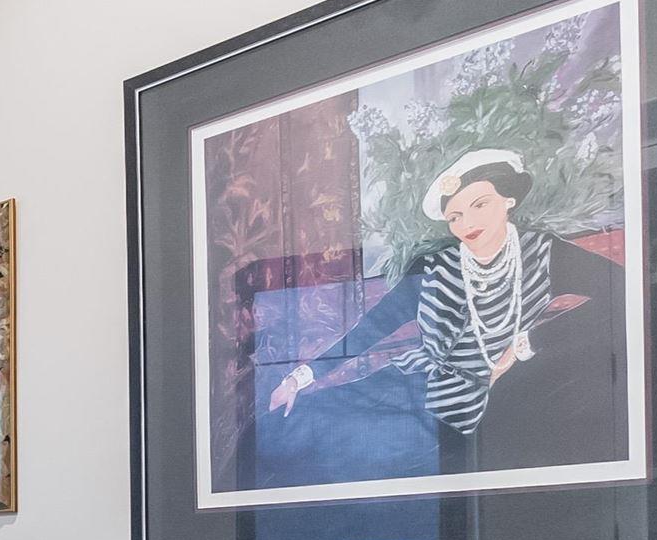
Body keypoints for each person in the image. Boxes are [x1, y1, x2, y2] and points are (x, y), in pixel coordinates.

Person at [266, 146, 629, 477]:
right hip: (414, 386)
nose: (467, 224)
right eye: (455, 216)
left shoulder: (544, 252)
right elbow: (374, 326)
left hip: (497, 396)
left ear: (508, 200)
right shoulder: (432, 267)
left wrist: (527, 342)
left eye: (479, 205)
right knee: (297, 428)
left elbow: (623, 291)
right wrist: (300, 377)